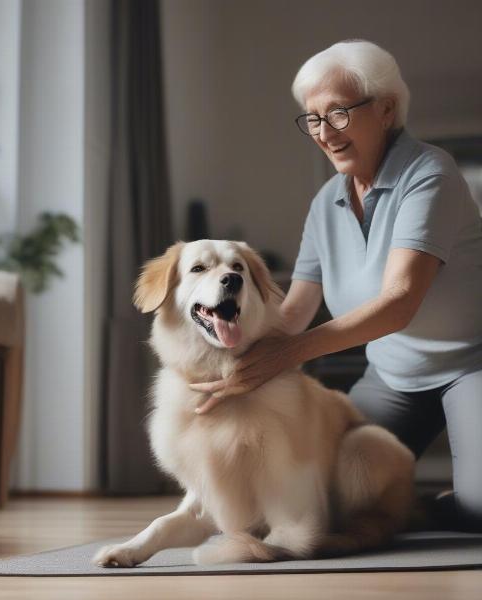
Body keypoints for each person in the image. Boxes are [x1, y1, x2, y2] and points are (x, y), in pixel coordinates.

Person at [190, 39, 482, 532]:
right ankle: (402, 503)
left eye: (340, 114)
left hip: (471, 365)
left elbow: (398, 304)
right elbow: (298, 306)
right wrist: (232, 357)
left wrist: (285, 356)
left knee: (478, 511)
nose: (325, 133)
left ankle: (435, 503)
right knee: (322, 495)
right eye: (313, 119)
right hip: (392, 376)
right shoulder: (328, 200)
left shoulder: (431, 173)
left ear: (387, 109)